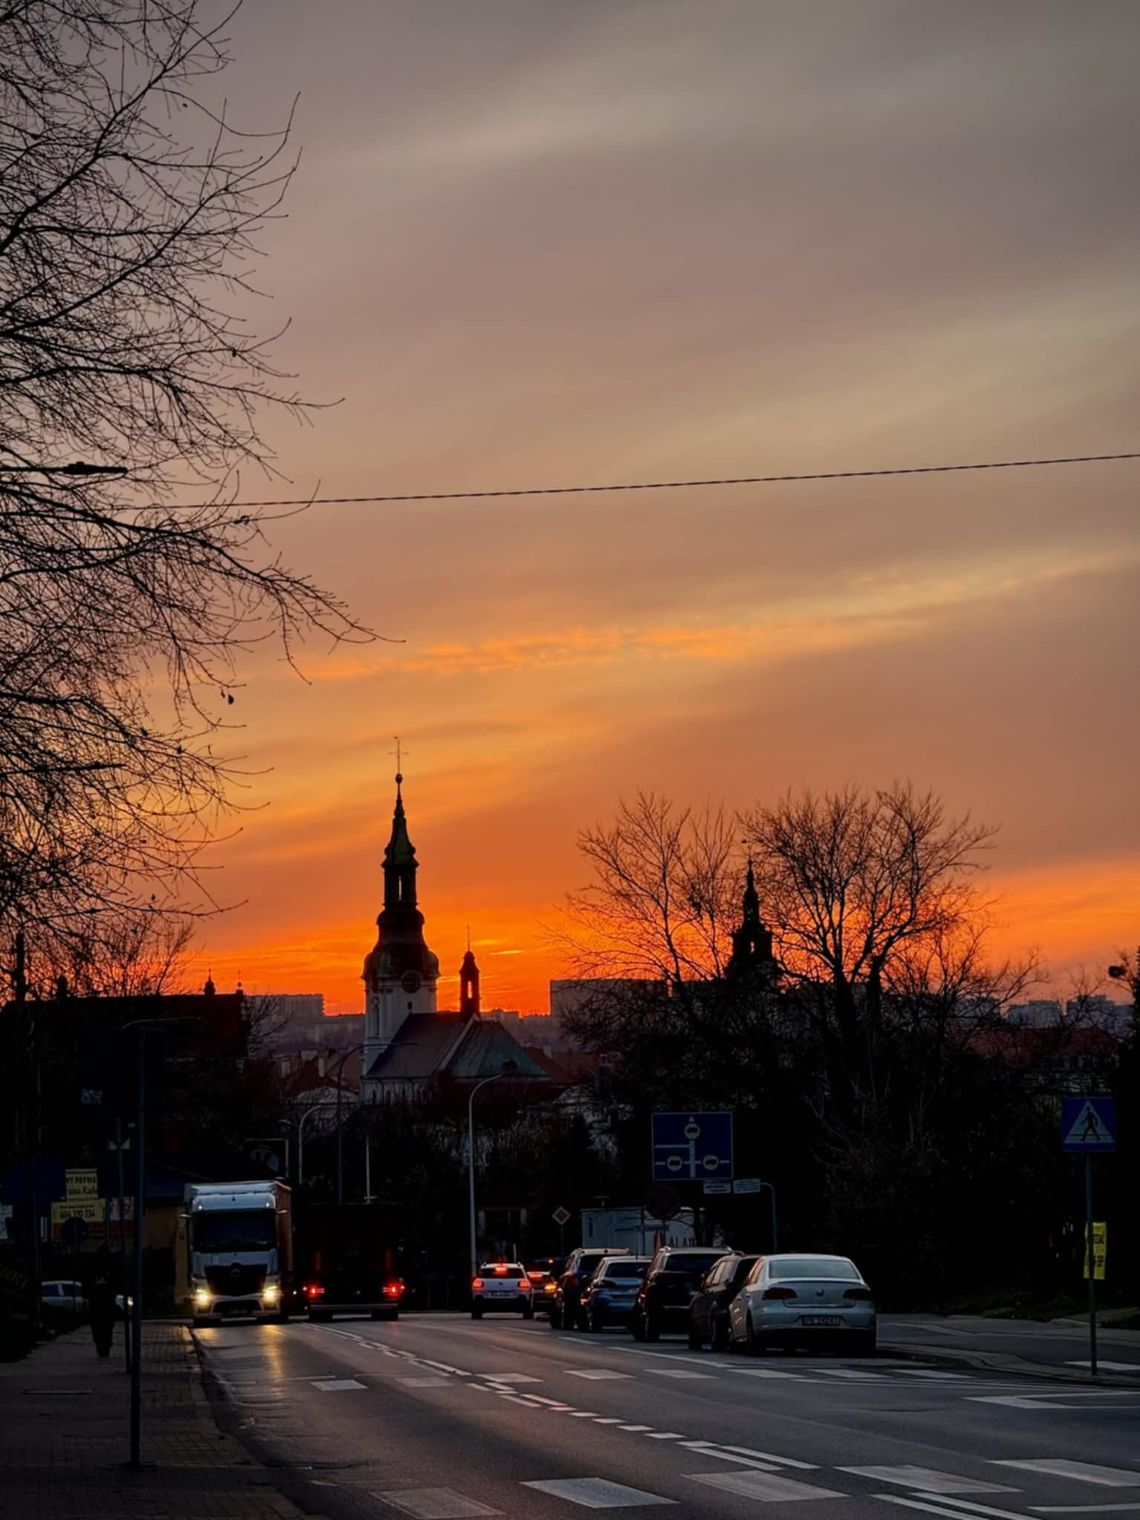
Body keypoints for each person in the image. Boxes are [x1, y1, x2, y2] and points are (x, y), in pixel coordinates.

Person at [86, 1248, 116, 1358]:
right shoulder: (94, 1271)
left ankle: (104, 1346)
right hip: (101, 1304)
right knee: (103, 1327)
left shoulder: (107, 1271)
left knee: (102, 1327)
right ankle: (103, 1346)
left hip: (102, 1304)